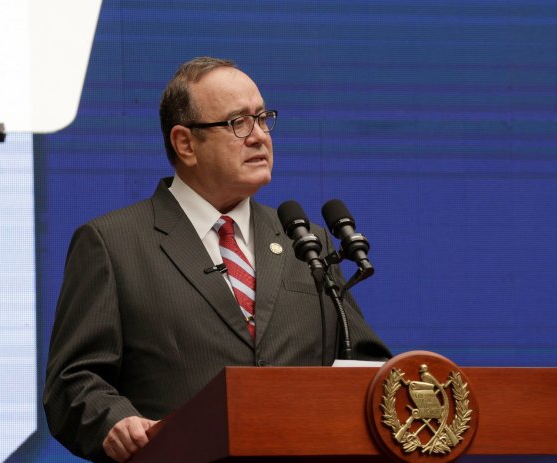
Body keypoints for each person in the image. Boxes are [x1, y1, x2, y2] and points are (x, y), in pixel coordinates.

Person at [43, 57, 391, 462]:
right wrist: (114, 422)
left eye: (263, 118)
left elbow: (365, 363)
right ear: (185, 143)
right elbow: (72, 382)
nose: (260, 136)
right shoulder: (113, 243)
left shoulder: (304, 239)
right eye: (238, 123)